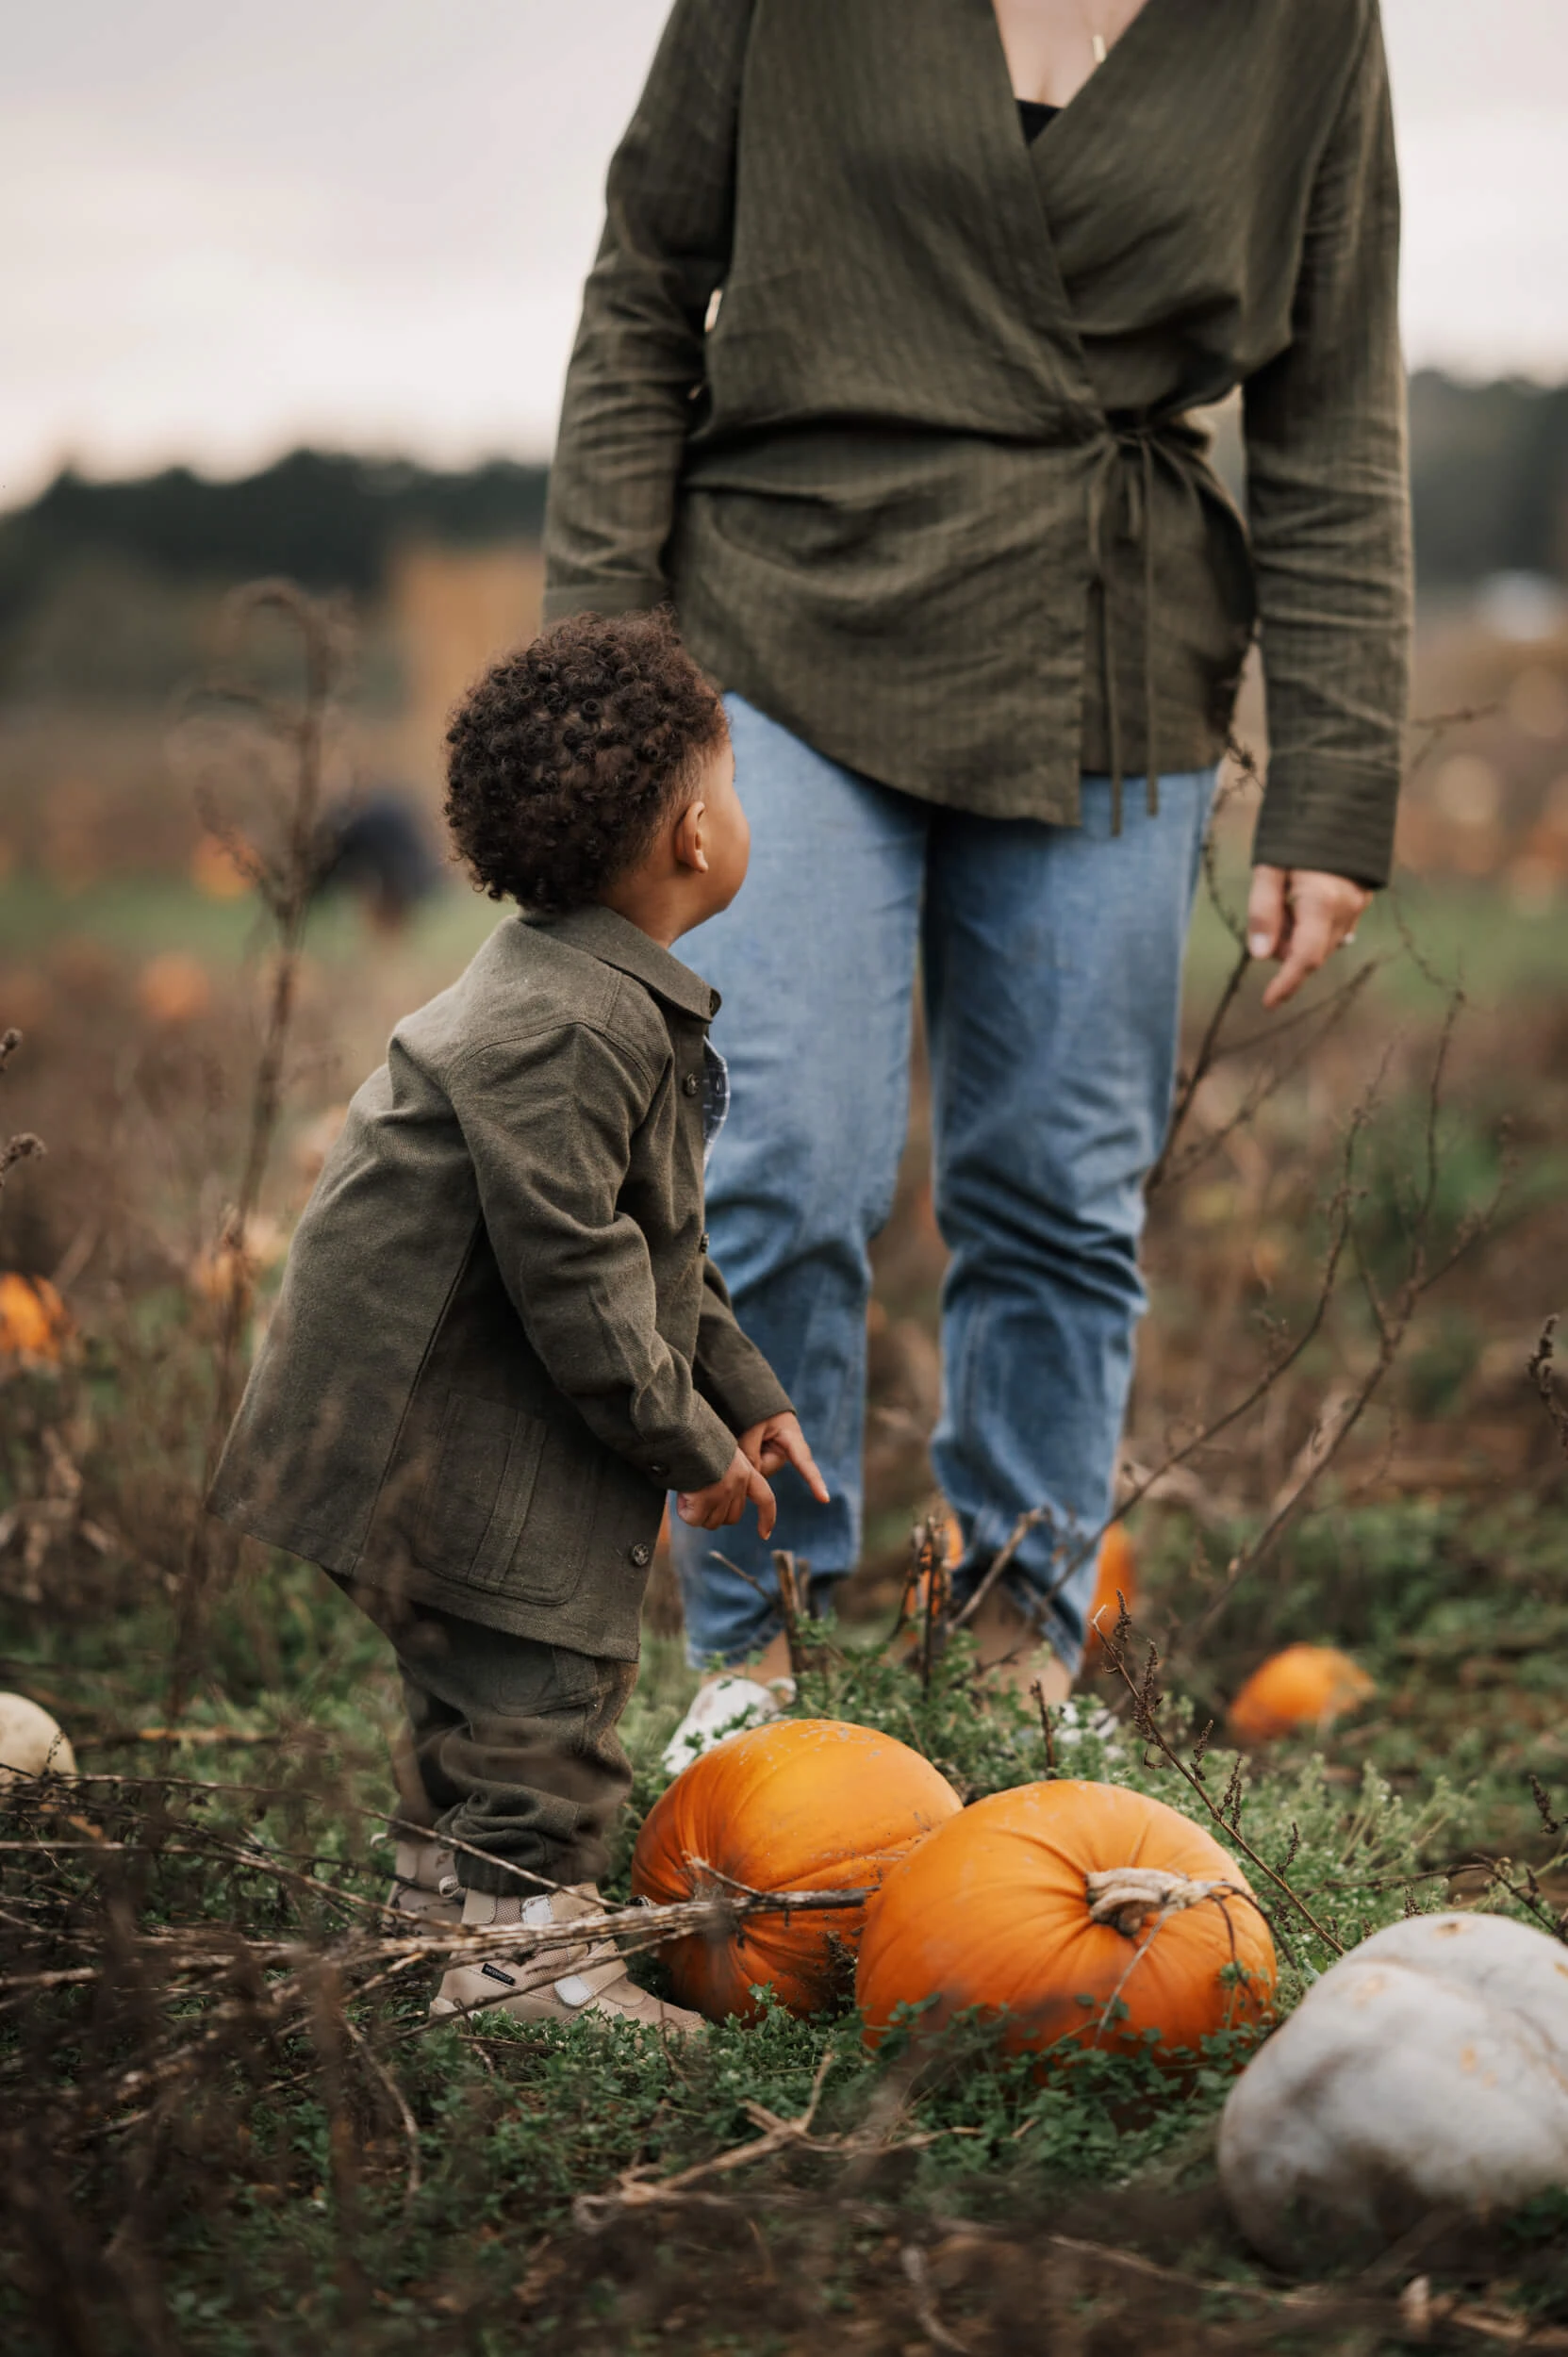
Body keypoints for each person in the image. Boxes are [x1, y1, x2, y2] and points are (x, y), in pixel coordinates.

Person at [542, 0, 1411, 1726]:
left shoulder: (1306, 20)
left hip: (1111, 648)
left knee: (1057, 1193)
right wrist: (596, 692)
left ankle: (1020, 1650)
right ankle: (753, 1642)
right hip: (782, 618)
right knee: (777, 1153)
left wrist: (1337, 778)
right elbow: (644, 294)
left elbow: (1328, 406)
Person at [208, 609, 826, 2027]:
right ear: (688, 836)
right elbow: (580, 1278)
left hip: (397, 1425)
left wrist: (744, 1390)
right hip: (422, 1434)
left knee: (474, 1682)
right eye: (730, 786)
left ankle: (443, 1910)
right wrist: (685, 1446)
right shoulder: (573, 1025)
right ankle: (520, 1964)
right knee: (544, 1676)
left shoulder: (584, 988)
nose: (743, 816)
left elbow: (663, 1244)